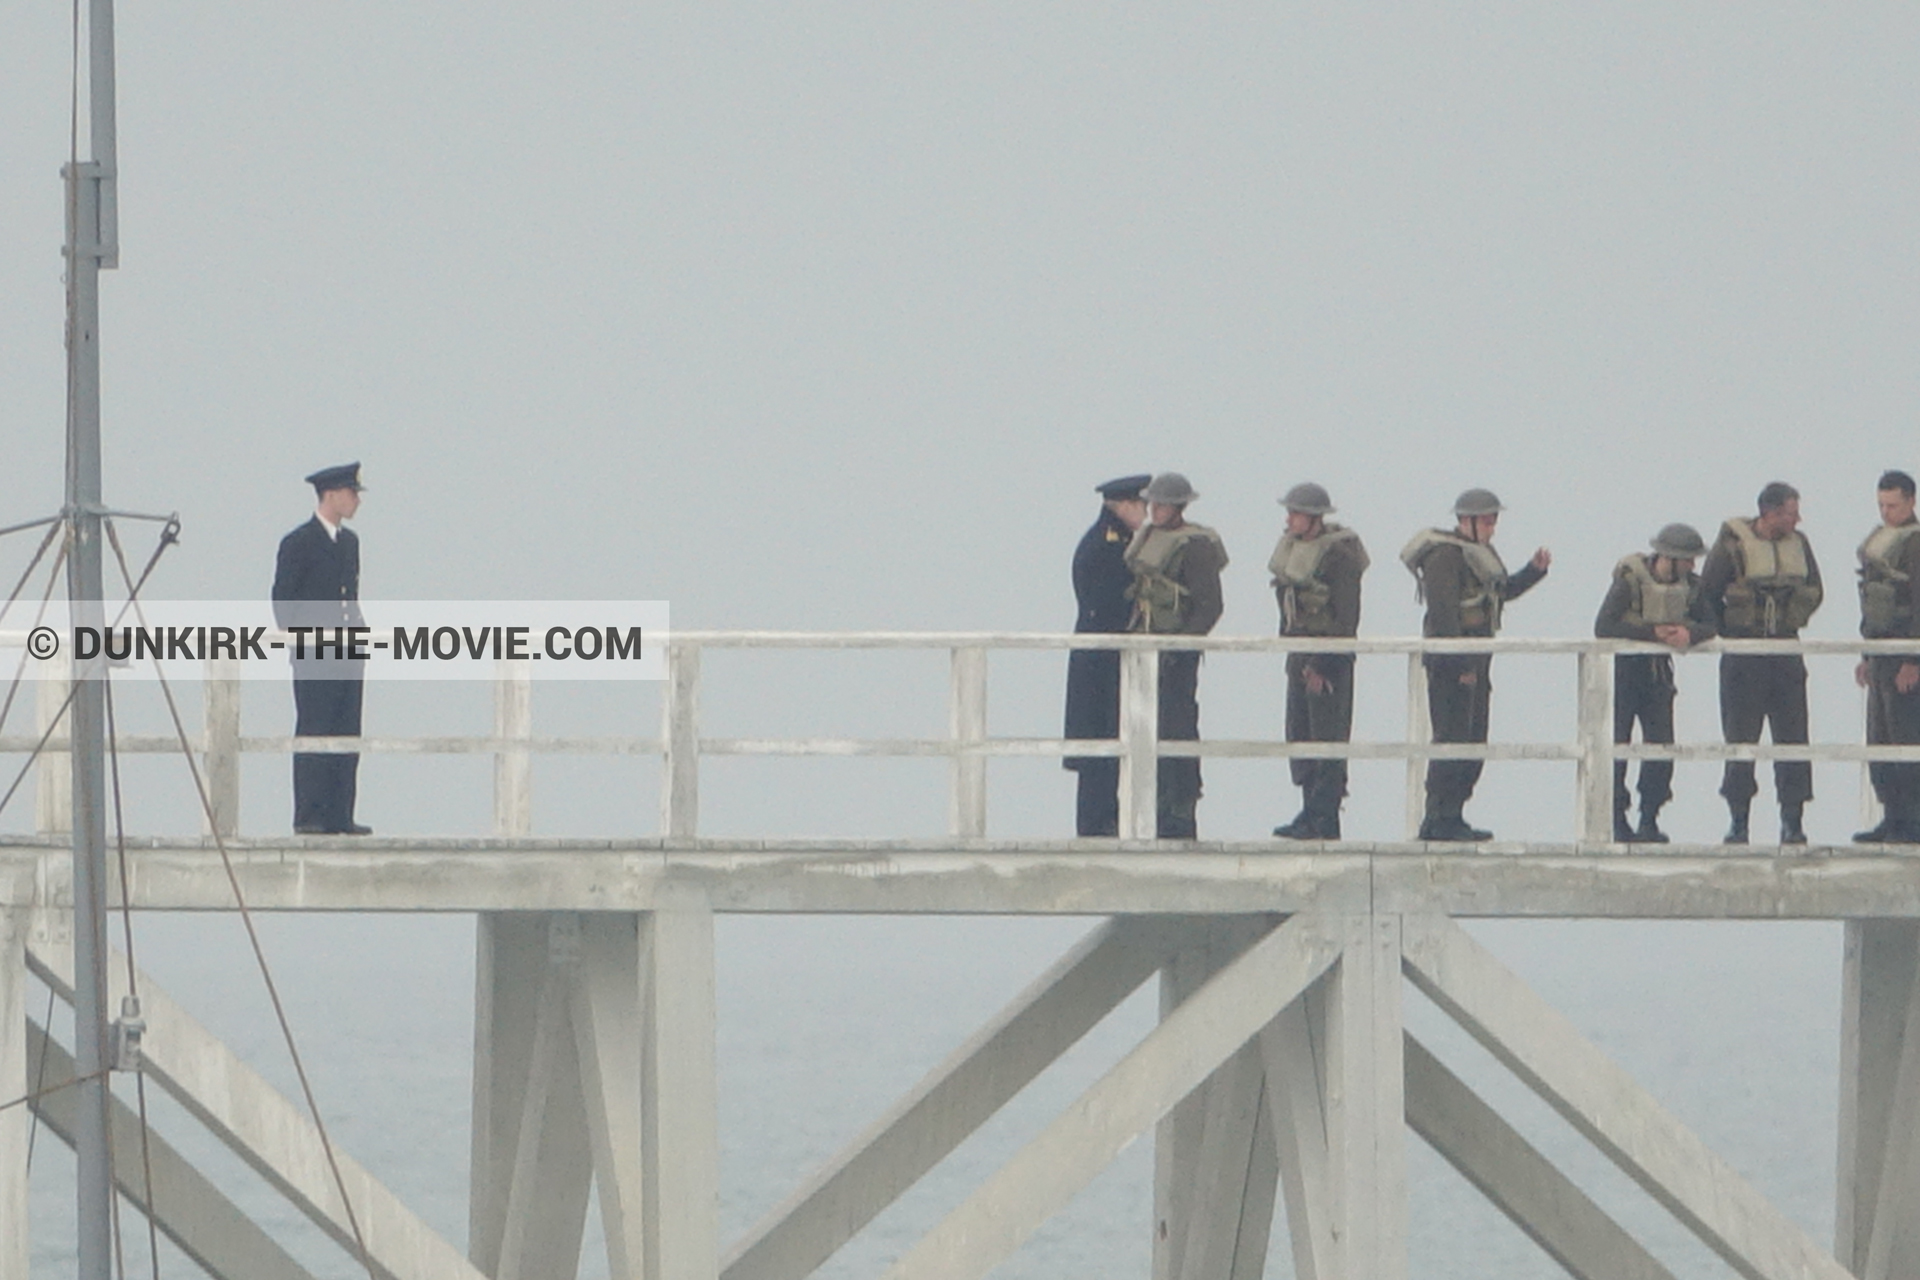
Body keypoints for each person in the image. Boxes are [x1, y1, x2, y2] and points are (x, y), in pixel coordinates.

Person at [1400, 488, 1550, 841]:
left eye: (1493, 520)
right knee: (1451, 738)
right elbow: (1443, 615)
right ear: (1466, 521)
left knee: (1474, 738)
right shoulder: (1445, 557)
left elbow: (1500, 592)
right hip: (1451, 666)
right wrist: (1460, 663)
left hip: (1477, 661)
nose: (1492, 526)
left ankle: (1454, 813)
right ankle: (1437, 816)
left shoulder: (1479, 554)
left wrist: (1533, 571)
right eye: (1486, 520)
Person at [1701, 481, 1823, 844]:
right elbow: (1706, 594)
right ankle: (1739, 820)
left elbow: (1816, 589)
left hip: (1785, 652)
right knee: (1741, 739)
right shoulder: (1731, 545)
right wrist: (1730, 630)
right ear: (1770, 513)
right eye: (1790, 511)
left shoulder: (1799, 545)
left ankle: (1793, 820)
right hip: (1744, 656)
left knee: (1794, 737)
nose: (1797, 519)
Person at [1593, 523, 1716, 843]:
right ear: (1670, 558)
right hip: (1626, 673)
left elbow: (1712, 622)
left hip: (1658, 675)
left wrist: (1689, 634)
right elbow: (1604, 625)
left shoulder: (1692, 586)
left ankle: (1650, 816)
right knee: (1618, 746)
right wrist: (1652, 634)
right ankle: (1616, 818)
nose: (1692, 565)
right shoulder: (1629, 581)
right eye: (1687, 559)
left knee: (1661, 746)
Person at [1124, 472, 1227, 839]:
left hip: (1175, 655)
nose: (1154, 509)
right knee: (1146, 731)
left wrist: (1182, 646)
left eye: (1162, 504)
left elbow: (1210, 605)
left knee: (1178, 728)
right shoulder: (1149, 537)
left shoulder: (1194, 546)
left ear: (1179, 507)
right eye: (1152, 503)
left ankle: (1181, 810)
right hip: (1146, 651)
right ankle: (1156, 806)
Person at [271, 462, 371, 835]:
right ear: (330, 494)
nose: (356, 500)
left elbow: (349, 596)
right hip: (315, 654)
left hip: (348, 651)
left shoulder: (349, 543)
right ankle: (311, 815)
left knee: (347, 730)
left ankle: (340, 814)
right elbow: (283, 601)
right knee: (315, 729)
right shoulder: (298, 542)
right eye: (350, 493)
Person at [1268, 482, 1368, 840]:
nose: (1290, 518)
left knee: (1327, 738)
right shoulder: (1295, 550)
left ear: (1314, 518)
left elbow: (1346, 618)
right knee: (1300, 735)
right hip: (1299, 656)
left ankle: (1324, 817)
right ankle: (1309, 811)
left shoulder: (1338, 555)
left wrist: (1322, 665)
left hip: (1329, 663)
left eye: (1296, 512)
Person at [1063, 473, 1150, 836]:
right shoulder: (1106, 545)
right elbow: (1107, 603)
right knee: (1098, 746)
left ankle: (1109, 819)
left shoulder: (1121, 540)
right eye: (1141, 505)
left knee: (1115, 743)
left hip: (1110, 660)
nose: (1145, 513)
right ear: (1124, 505)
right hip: (1099, 661)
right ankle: (1098, 824)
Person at [1853, 470, 1920, 844]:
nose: (1886, 513)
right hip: (1879, 654)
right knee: (1879, 738)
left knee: (1906, 737)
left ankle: (1913, 818)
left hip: (1904, 655)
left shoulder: (1915, 544)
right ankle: (1892, 816)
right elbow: (1872, 604)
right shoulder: (1880, 541)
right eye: (1881, 505)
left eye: (1892, 505)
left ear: (1911, 502)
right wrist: (1865, 654)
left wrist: (1914, 660)